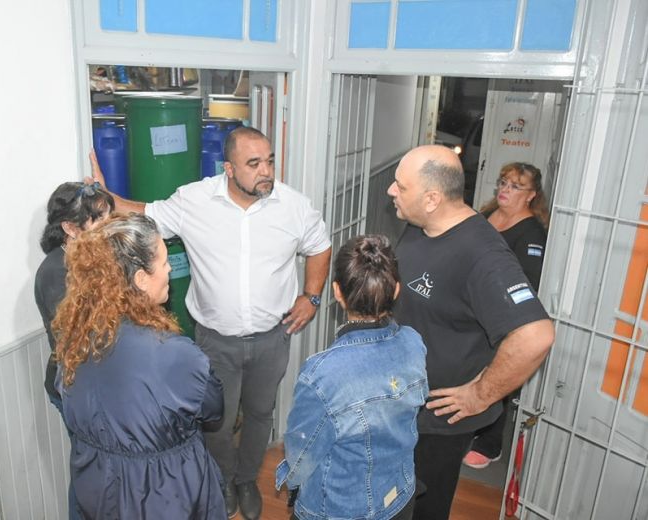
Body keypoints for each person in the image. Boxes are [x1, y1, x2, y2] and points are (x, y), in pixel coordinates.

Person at [91, 126, 332, 519]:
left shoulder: (293, 205)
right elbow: (145, 213)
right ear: (229, 168)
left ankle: (246, 480)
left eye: (269, 161)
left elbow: (320, 245)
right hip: (215, 340)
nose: (266, 171)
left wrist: (313, 296)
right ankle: (222, 479)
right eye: (253, 164)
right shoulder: (194, 200)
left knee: (259, 414)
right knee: (217, 421)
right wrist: (107, 197)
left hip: (274, 337)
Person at [386, 145, 555, 520]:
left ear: (432, 198)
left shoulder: (483, 255)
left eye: (400, 185)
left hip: (436, 423)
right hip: (399, 403)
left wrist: (481, 395)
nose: (391, 192)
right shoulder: (419, 227)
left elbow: (536, 335)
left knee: (423, 508)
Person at [53, 213, 226, 519]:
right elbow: (213, 408)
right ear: (141, 279)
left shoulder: (74, 340)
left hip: (95, 489)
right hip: (162, 493)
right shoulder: (173, 354)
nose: (170, 268)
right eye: (163, 261)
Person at [276, 235, 428, 520]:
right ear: (395, 290)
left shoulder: (321, 373)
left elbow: (302, 451)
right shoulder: (413, 343)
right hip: (400, 495)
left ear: (336, 291)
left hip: (338, 509)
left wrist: (293, 482)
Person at [463, 162, 550, 469]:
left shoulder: (531, 233)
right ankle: (465, 428)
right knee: (469, 370)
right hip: (470, 308)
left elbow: (528, 283)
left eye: (515, 186)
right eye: (503, 182)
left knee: (498, 376)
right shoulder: (486, 216)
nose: (504, 190)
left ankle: (489, 443)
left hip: (500, 317)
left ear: (531, 195)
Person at [34, 181, 114, 410]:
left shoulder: (97, 255)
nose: (108, 226)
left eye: (108, 216)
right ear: (69, 227)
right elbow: (79, 339)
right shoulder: (55, 273)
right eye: (98, 219)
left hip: (103, 377)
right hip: (78, 386)